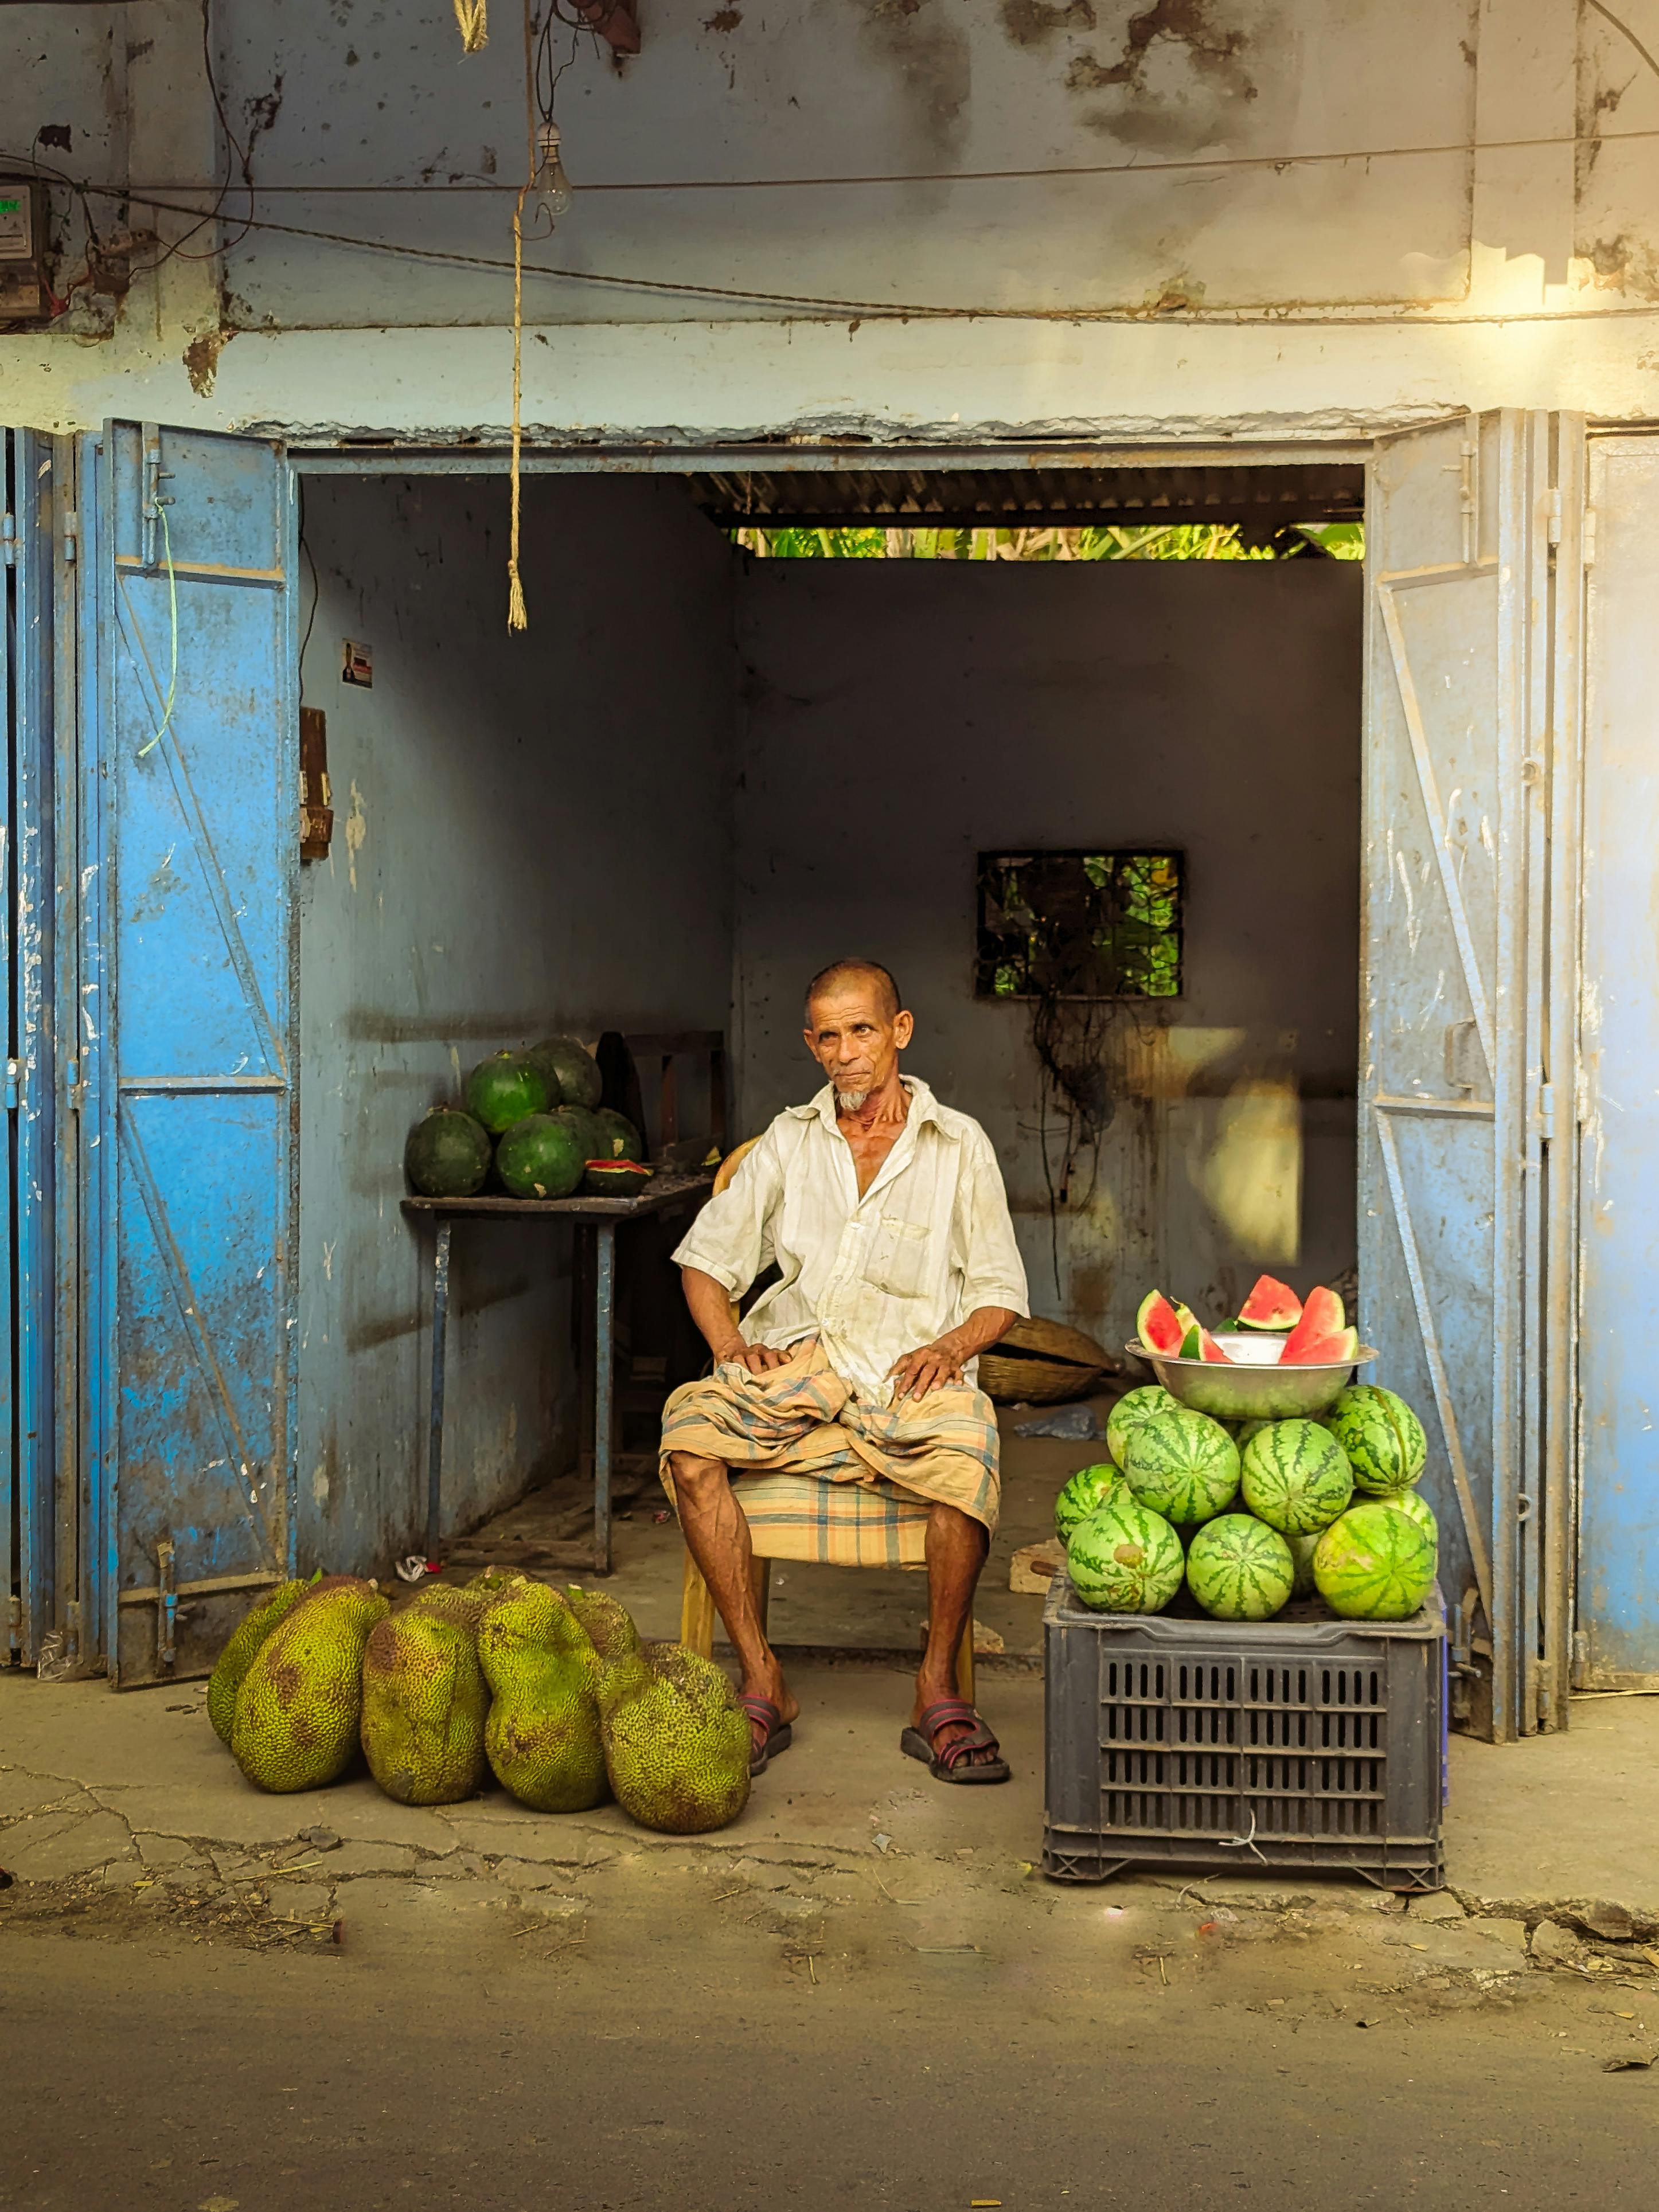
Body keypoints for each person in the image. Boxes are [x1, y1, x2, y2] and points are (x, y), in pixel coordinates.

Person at [660, 959, 1028, 1784]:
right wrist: (729, 1348)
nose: (844, 1051)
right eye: (827, 1035)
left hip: (908, 1368)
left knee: (968, 1449)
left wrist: (951, 1347)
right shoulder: (789, 1139)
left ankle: (935, 1689)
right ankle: (762, 1679)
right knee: (689, 1440)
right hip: (799, 1361)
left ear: (898, 1031)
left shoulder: (957, 1142)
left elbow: (1000, 1291)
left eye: (861, 1029)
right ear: (810, 1043)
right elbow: (705, 1261)